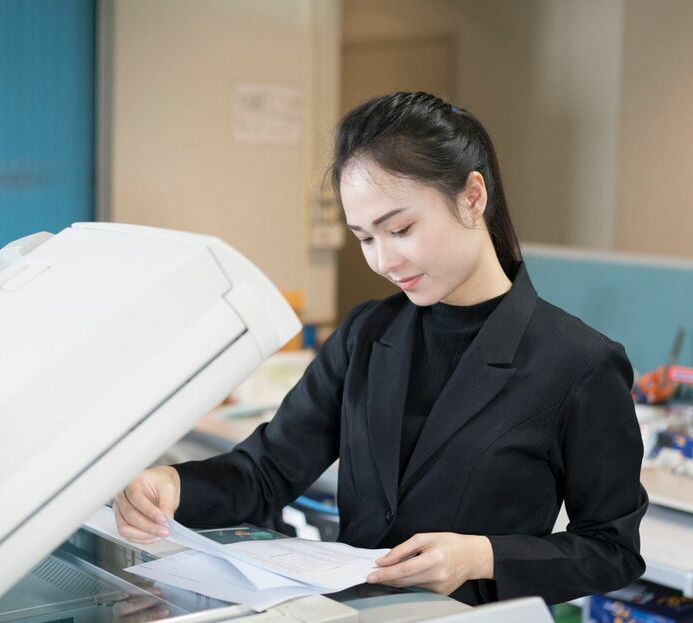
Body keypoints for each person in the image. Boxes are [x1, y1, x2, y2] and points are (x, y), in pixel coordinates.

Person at [112, 91, 647, 606]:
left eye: (401, 229)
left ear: (473, 196)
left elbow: (610, 549)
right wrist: (172, 483)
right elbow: (268, 469)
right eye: (366, 238)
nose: (384, 261)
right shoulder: (367, 332)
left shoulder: (578, 362)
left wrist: (481, 555)